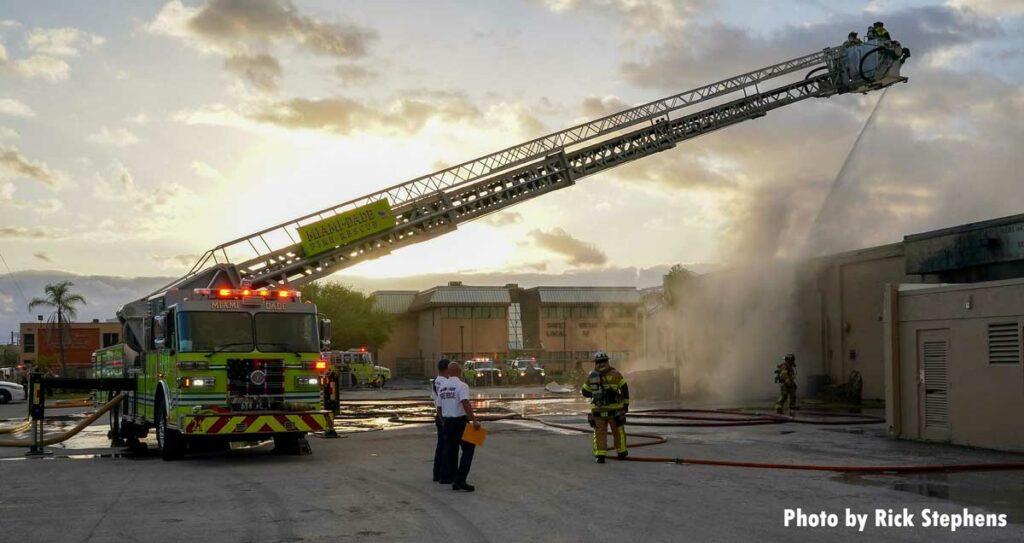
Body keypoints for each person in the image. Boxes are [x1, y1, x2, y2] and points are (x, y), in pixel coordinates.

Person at [437, 362, 481, 491]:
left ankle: (455, 480)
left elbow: (438, 407)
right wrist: (474, 421)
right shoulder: (462, 386)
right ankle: (461, 480)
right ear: (460, 372)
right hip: (460, 422)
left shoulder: (443, 387)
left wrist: (443, 421)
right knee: (469, 448)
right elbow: (465, 402)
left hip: (447, 422)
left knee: (451, 452)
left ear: (449, 372)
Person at [581, 351, 630, 463]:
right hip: (615, 410)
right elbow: (624, 390)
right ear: (607, 361)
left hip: (598, 410)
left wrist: (595, 393)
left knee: (599, 433)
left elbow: (584, 392)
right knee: (618, 431)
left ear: (596, 363)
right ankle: (621, 452)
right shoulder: (616, 374)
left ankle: (600, 455)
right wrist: (625, 405)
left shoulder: (592, 376)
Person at [431, 358, 451, 483]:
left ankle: (437, 473)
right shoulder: (445, 383)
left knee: (440, 446)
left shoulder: (435, 382)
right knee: (447, 446)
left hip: (439, 415)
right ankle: (445, 474)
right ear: (447, 369)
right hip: (445, 416)